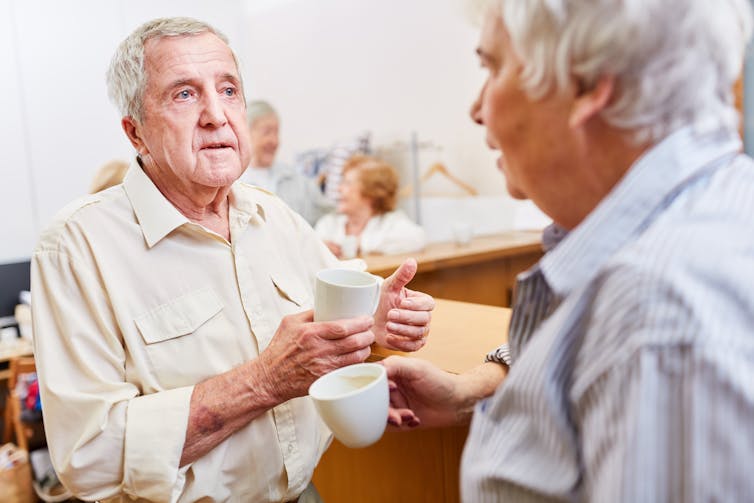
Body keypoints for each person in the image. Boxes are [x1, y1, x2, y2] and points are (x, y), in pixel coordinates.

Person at [30, 17, 434, 503]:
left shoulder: (275, 215)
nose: (216, 116)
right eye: (184, 94)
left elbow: (313, 352)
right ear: (135, 133)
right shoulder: (75, 247)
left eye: (228, 90)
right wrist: (264, 380)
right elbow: (89, 457)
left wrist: (370, 329)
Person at [383, 0, 754, 501]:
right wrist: (470, 393)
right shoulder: (709, 209)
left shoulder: (660, 313)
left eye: (492, 67)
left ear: (585, 81)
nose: (477, 109)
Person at [240, 100, 334, 225]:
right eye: (266, 132)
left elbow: (331, 217)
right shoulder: (232, 183)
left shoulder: (297, 180)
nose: (274, 140)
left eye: (276, 132)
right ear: (245, 132)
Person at [315, 156, 427, 257]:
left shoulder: (391, 222)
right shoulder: (328, 224)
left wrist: (360, 244)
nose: (339, 189)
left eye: (348, 183)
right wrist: (318, 250)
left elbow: (417, 239)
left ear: (371, 193)